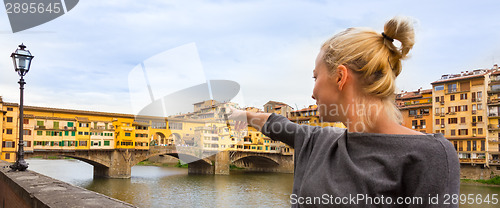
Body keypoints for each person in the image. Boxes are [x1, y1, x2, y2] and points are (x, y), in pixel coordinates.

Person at [229, 16, 460, 207]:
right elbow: (273, 121)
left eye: (315, 77)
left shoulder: (430, 155)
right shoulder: (318, 141)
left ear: (340, 77)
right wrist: (242, 115)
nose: (312, 92)